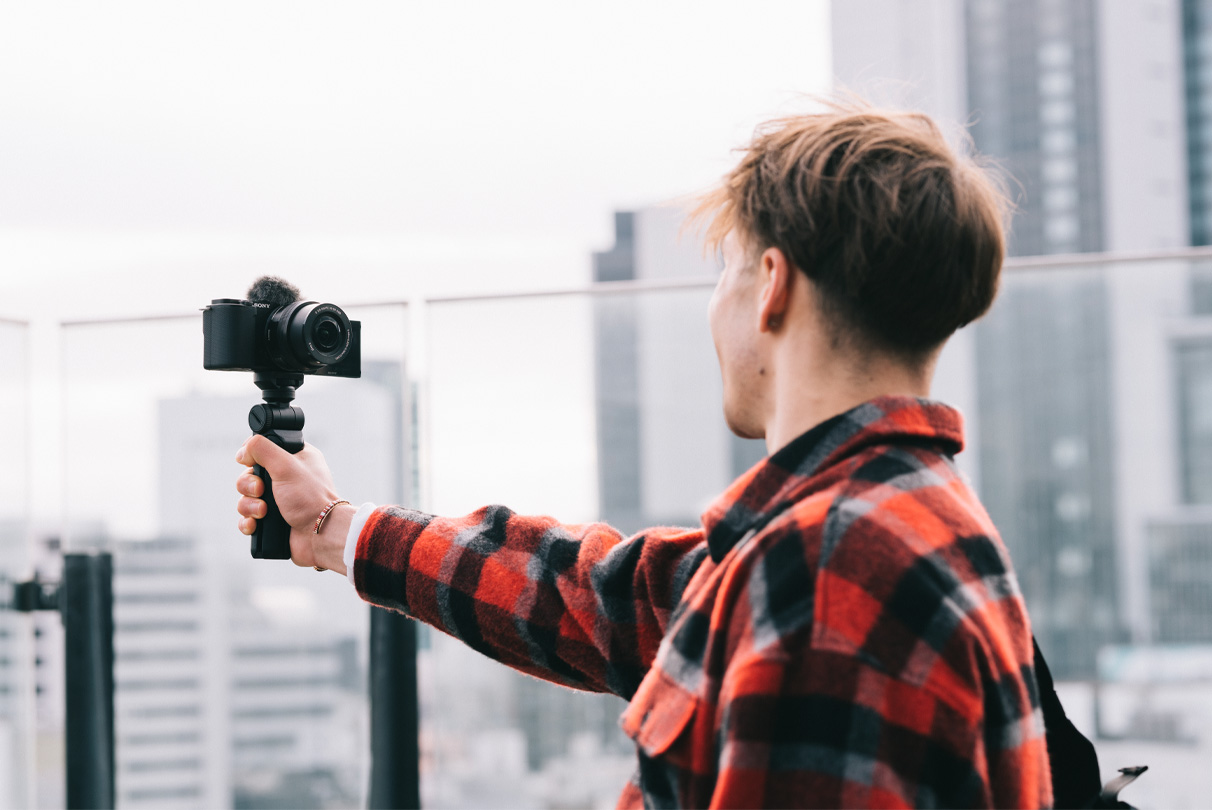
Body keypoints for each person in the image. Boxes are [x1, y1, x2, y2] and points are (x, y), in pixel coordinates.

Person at [235, 100, 1053, 808]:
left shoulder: (829, 573)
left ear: (771, 285)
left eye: (725, 272)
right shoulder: (890, 519)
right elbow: (604, 600)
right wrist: (336, 529)